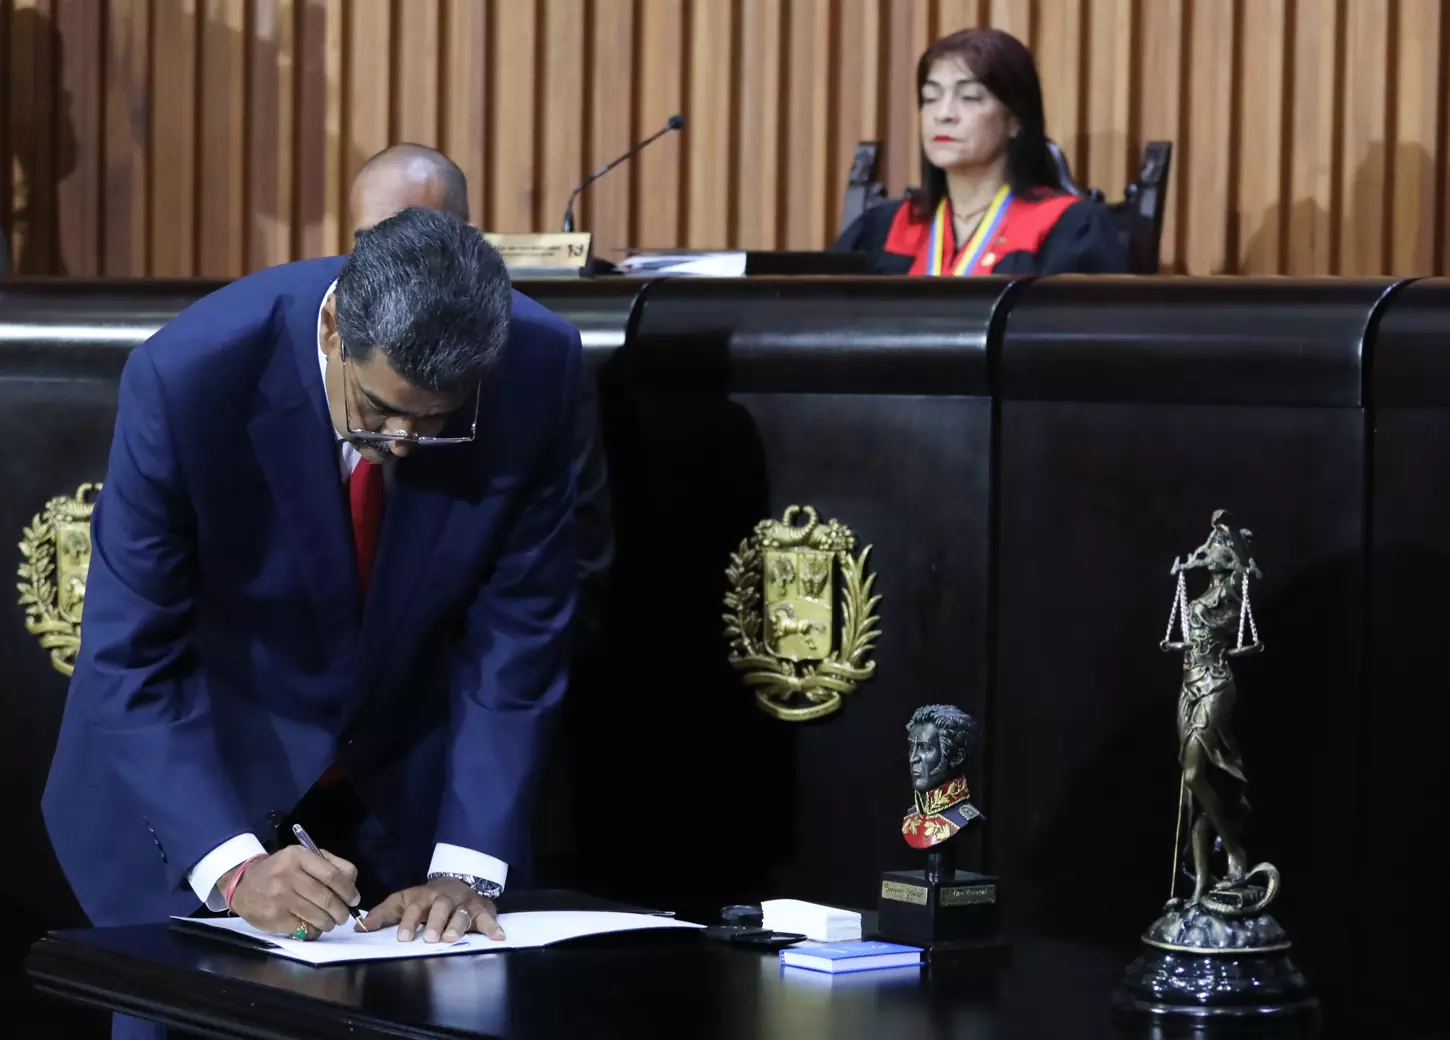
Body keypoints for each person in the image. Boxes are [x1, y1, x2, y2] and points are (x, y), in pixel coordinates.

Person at [42, 208, 580, 1039]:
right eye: (378, 410)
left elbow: (517, 637)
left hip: (403, 789)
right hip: (201, 787)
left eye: (437, 424)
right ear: (332, 329)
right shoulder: (187, 377)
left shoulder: (539, 369)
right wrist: (234, 870)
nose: (402, 443)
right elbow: (129, 659)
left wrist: (467, 867)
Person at [349, 143, 612, 656]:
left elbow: (569, 571)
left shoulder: (535, 366)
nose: (391, 265)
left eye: (417, 241)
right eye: (370, 242)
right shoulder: (323, 341)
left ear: (468, 242)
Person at [833, 28, 1128, 275]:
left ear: (1015, 120)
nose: (944, 114)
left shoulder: (1069, 228)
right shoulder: (885, 228)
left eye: (970, 97)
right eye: (931, 98)